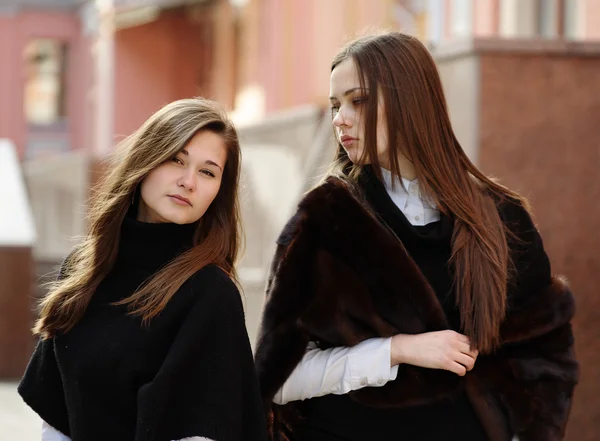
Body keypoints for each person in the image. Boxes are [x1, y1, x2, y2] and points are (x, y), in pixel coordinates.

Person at [254, 32, 578, 441]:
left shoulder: (500, 218)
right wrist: (396, 350)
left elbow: (547, 360)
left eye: (359, 101)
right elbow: (276, 378)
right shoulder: (323, 221)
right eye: (336, 105)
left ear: (410, 101)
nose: (339, 118)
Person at [18, 98, 268, 441]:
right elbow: (57, 418)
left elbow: (203, 431)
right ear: (146, 159)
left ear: (217, 193)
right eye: (176, 159)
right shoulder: (84, 269)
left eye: (208, 172)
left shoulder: (210, 292)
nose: (188, 181)